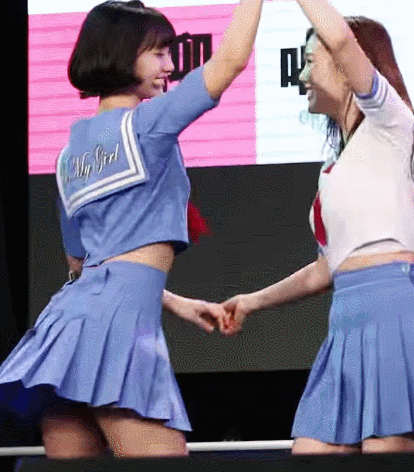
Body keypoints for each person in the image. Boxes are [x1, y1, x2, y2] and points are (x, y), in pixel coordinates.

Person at [0, 0, 264, 458]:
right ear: (122, 54)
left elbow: (83, 265)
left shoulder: (68, 154)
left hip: (68, 327)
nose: (170, 65)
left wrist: (175, 302)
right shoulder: (146, 124)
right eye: (158, 53)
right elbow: (231, 61)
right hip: (118, 327)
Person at [222, 0, 414, 455]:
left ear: (349, 68)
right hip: (345, 321)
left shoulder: (392, 124)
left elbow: (342, 38)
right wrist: (251, 301)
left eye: (310, 61)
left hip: (394, 309)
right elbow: (326, 269)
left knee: (385, 454)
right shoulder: (333, 169)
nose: (303, 75)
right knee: (311, 452)